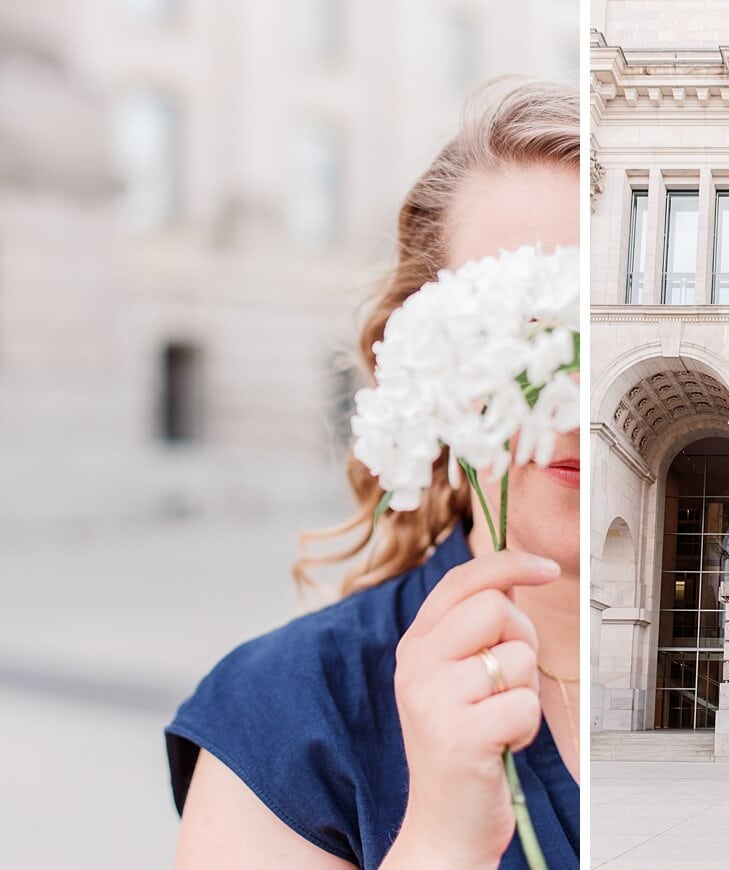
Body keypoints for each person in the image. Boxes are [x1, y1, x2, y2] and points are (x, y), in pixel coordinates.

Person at [164, 80, 580, 869]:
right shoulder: (287, 714)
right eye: (517, 329)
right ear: (425, 357)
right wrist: (438, 842)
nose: (567, 390)